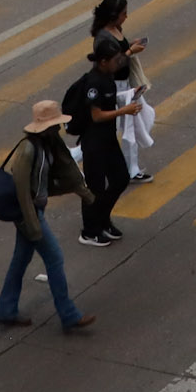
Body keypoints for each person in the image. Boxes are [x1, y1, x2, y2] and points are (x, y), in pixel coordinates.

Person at [0, 101, 94, 334]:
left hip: (34, 210)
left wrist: (86, 194)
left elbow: (67, 169)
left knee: (20, 261)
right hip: (27, 212)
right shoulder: (28, 149)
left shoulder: (50, 143)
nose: (58, 129)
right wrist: (32, 224)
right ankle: (68, 315)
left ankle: (5, 311)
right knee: (55, 259)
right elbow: (21, 191)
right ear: (45, 127)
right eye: (55, 125)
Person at [65, 35, 142, 244]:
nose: (119, 62)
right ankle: (89, 231)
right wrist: (124, 110)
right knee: (94, 187)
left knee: (120, 178)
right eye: (115, 59)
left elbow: (109, 99)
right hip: (94, 142)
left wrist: (128, 95)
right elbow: (96, 115)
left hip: (107, 139)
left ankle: (102, 219)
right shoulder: (94, 82)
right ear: (103, 61)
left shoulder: (108, 76)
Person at [91, 0, 155, 179]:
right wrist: (129, 51)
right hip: (115, 87)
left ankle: (131, 168)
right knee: (121, 128)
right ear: (113, 15)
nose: (126, 16)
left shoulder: (115, 29)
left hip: (126, 85)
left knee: (136, 122)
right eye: (123, 13)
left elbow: (119, 50)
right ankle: (80, 155)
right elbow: (112, 63)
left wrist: (131, 44)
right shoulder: (103, 37)